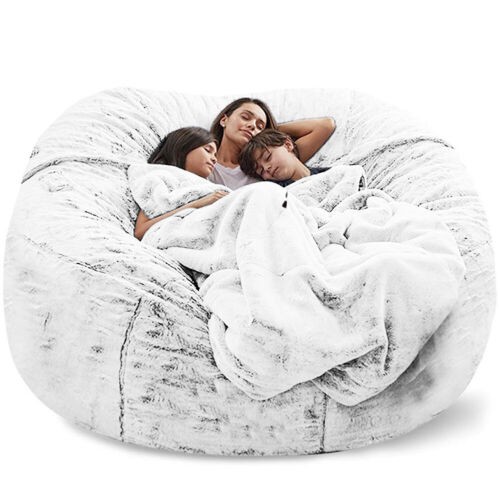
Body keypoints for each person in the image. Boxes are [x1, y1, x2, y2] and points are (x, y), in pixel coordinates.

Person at [207, 97, 336, 189]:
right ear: (224, 120)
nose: (252, 125)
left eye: (260, 126)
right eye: (245, 117)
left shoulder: (277, 159)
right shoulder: (206, 165)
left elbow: (326, 125)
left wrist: (270, 132)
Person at [134, 127, 229, 240]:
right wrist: (198, 204)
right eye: (208, 150)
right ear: (185, 147)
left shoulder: (208, 187)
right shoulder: (162, 178)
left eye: (215, 155)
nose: (214, 159)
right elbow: (140, 232)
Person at [239, 129, 366, 189]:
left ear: (287, 145)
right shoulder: (277, 191)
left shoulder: (329, 173)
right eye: (261, 171)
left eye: (267, 157)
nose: (266, 168)